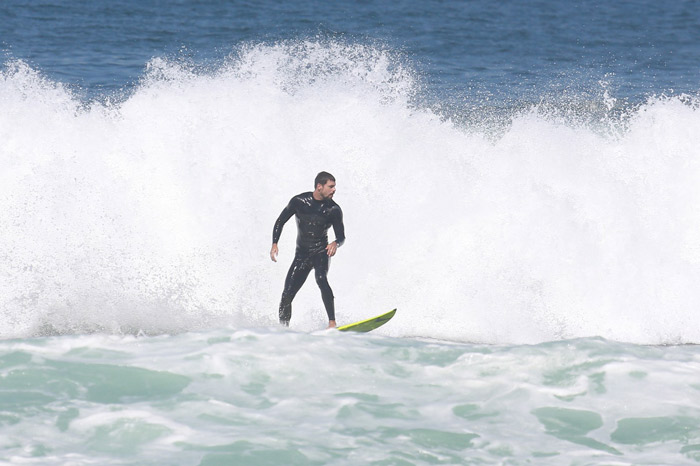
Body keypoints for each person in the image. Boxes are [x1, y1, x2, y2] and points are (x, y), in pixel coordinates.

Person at [270, 172, 346, 328]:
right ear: (319, 186)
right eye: (331, 186)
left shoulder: (334, 210)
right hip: (302, 255)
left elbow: (341, 236)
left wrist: (335, 243)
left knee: (321, 278)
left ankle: (332, 322)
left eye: (334, 187)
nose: (334, 190)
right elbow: (280, 221)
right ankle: (283, 329)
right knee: (287, 294)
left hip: (321, 252)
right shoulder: (299, 201)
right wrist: (275, 243)